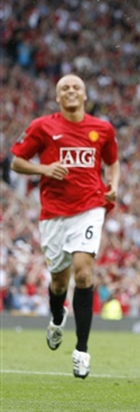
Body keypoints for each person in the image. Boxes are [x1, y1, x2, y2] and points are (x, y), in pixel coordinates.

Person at [10, 73, 120, 379]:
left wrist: (113, 185)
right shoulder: (42, 126)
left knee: (84, 272)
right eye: (64, 88)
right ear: (58, 98)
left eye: (76, 87)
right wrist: (44, 167)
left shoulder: (103, 128)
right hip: (54, 213)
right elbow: (17, 161)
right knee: (59, 282)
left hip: (90, 207)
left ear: (85, 95)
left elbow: (112, 162)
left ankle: (81, 350)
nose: (71, 91)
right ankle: (58, 316)